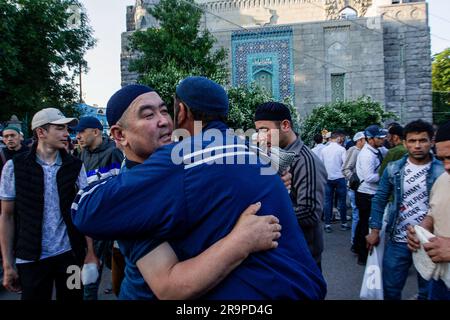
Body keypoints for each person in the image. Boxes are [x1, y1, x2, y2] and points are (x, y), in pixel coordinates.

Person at [72, 78, 327, 299]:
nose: (163, 121)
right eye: (148, 115)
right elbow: (169, 287)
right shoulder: (137, 188)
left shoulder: (184, 162)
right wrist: (240, 241)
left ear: (180, 112)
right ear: (118, 135)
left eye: (164, 111)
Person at [0, 108, 88, 300]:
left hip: (70, 256)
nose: (66, 133)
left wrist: (90, 254)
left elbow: (84, 211)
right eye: (59, 128)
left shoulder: (75, 166)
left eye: (66, 128)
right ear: (41, 132)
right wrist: (8, 264)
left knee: (73, 298)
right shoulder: (14, 167)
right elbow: (7, 216)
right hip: (31, 258)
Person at [366, 119, 444, 300]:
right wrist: (374, 229)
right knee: (391, 289)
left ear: (431, 142)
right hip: (398, 239)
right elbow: (379, 199)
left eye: (422, 140)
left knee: (428, 292)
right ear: (404, 142)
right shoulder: (394, 169)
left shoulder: (441, 171)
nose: (417, 146)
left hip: (430, 240)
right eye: (412, 141)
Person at [254, 102, 327, 269]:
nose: (261, 137)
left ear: (285, 125)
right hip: (282, 253)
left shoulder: (305, 160)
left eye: (265, 130)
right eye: (258, 131)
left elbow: (309, 212)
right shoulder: (273, 156)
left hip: (303, 257)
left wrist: (264, 213)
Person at [73, 116, 124, 300]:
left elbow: (123, 189)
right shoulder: (82, 154)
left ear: (96, 132)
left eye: (81, 132)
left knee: (122, 269)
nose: (77, 136)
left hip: (113, 226)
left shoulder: (114, 153)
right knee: (90, 276)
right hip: (92, 226)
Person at [407, 120, 450, 300]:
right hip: (440, 280)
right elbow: (434, 212)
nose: (447, 166)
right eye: (442, 159)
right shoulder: (442, 180)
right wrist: (422, 229)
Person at [354, 124, 387, 265]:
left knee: (363, 222)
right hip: (366, 194)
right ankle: (363, 255)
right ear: (370, 139)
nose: (383, 140)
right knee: (365, 225)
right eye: (379, 138)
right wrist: (384, 175)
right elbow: (369, 177)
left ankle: (357, 247)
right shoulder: (367, 155)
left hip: (369, 193)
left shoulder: (376, 150)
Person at [319, 130, 349, 233]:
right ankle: (344, 223)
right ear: (338, 138)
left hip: (328, 178)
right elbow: (345, 164)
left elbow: (321, 165)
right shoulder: (342, 149)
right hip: (340, 178)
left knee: (328, 202)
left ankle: (327, 224)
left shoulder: (324, 150)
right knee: (342, 202)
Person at [342, 131, 366, 250]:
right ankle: (354, 241)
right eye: (365, 139)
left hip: (360, 189)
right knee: (357, 215)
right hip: (355, 188)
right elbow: (346, 169)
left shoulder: (363, 151)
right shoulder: (354, 151)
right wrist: (355, 180)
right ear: (360, 140)